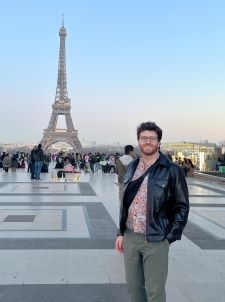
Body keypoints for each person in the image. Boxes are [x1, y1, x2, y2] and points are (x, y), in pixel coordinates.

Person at [115, 121, 189, 302]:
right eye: (144, 138)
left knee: (155, 292)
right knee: (133, 289)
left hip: (156, 238)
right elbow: (126, 203)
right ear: (138, 141)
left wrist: (169, 237)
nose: (147, 141)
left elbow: (182, 207)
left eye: (152, 138)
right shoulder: (132, 166)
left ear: (159, 142)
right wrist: (121, 232)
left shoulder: (172, 170)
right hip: (131, 237)